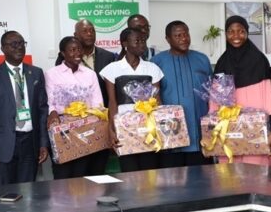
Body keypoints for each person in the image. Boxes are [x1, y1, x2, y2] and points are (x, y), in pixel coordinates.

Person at [0, 30, 48, 185]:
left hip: (30, 143)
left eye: (21, 43)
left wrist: (43, 143)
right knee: (4, 193)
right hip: (4, 144)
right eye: (13, 44)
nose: (19, 47)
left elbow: (42, 110)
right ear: (3, 48)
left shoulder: (36, 73)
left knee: (28, 192)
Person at [213, 15, 271, 165]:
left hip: (256, 134)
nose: (236, 36)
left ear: (247, 32)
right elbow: (214, 105)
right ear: (226, 34)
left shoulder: (259, 61)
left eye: (241, 31)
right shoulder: (222, 64)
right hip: (229, 134)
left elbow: (269, 101)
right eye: (231, 31)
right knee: (230, 181)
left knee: (257, 178)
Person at [100, 27, 164, 172]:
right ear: (124, 44)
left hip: (149, 127)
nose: (142, 44)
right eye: (137, 41)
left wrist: (160, 127)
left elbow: (157, 99)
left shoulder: (152, 68)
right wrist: (111, 129)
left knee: (150, 171)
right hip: (124, 127)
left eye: (143, 41)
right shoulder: (112, 69)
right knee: (130, 171)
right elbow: (112, 102)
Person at [150, 21, 213, 167]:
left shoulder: (202, 59)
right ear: (168, 39)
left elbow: (212, 93)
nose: (184, 38)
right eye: (178, 35)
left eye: (186, 34)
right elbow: (153, 98)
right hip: (170, 134)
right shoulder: (156, 62)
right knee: (173, 182)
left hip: (199, 133)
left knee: (201, 181)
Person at [45, 36, 107, 179]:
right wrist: (52, 113)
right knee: (64, 175)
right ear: (62, 53)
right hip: (63, 131)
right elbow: (49, 102)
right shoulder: (51, 74)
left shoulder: (90, 74)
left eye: (79, 49)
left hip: (87, 129)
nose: (77, 53)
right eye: (72, 50)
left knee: (84, 173)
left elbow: (98, 104)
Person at [56, 19, 117, 105]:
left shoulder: (108, 56)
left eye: (92, 31)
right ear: (75, 35)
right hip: (74, 109)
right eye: (85, 31)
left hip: (103, 108)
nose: (89, 34)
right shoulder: (65, 57)